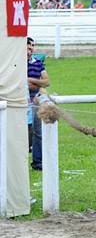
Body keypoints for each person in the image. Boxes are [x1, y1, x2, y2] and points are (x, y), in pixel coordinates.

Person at [26, 37, 49, 171]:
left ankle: (38, 162)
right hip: (20, 101)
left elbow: (46, 82)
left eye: (32, 47)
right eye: (28, 47)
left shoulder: (38, 63)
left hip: (34, 100)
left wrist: (29, 79)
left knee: (38, 131)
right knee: (25, 133)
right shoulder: (16, 63)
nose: (31, 50)